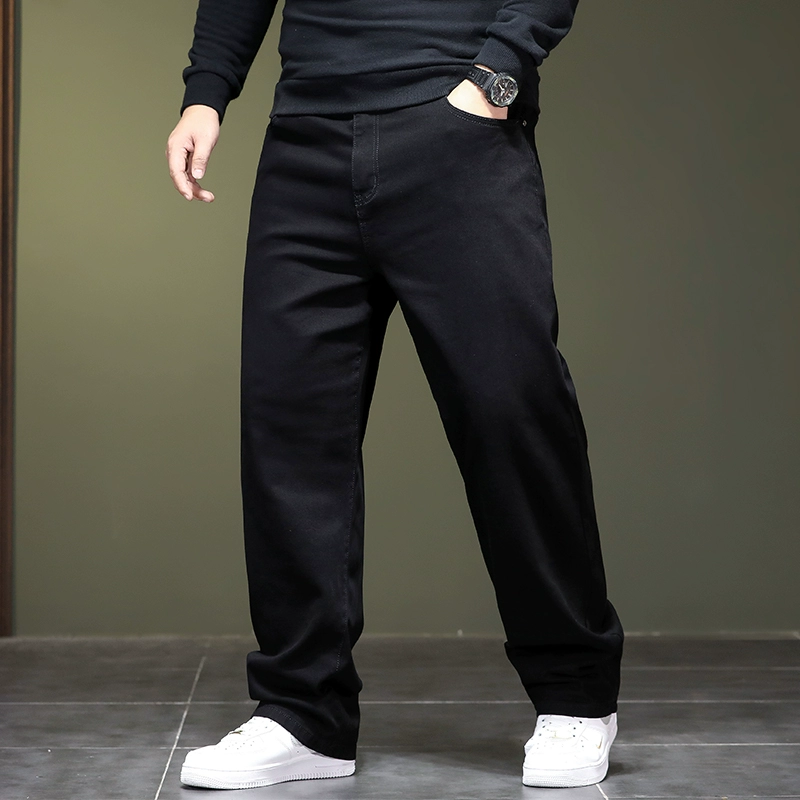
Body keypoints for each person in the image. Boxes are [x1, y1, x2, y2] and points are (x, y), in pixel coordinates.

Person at [165, 0, 624, 790]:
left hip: (458, 129)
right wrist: (207, 92)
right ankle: (303, 714)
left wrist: (497, 73)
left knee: (511, 413)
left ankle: (576, 695)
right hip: (304, 137)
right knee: (290, 432)